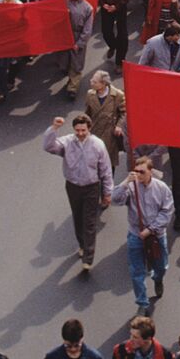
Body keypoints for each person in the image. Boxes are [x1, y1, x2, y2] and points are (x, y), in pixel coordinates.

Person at [43, 115, 114, 273]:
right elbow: (48, 147)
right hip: (73, 186)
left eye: (83, 130)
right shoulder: (67, 142)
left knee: (89, 222)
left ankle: (88, 258)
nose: (80, 133)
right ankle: (82, 244)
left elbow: (106, 170)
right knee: (78, 217)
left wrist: (107, 192)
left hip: (91, 187)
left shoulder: (98, 145)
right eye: (77, 130)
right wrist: (54, 128)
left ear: (89, 128)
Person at [111, 157, 174, 315]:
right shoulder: (131, 187)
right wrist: (126, 182)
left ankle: (158, 278)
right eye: (136, 171)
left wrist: (151, 229)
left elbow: (167, 212)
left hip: (156, 236)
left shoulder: (162, 188)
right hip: (136, 235)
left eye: (142, 172)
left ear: (150, 172)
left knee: (161, 266)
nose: (139, 175)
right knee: (136, 272)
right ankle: (142, 302)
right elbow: (115, 200)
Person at [105, 315, 172, 359]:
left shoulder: (165, 357)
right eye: (131, 334)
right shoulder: (121, 351)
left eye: (135, 337)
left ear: (148, 339)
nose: (131, 339)